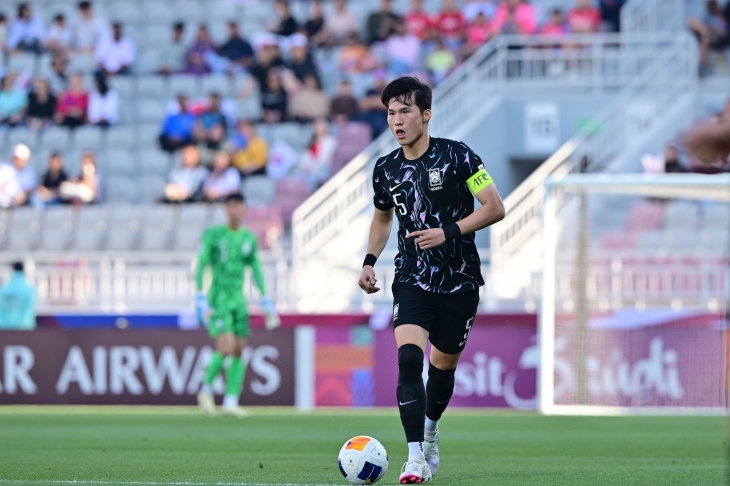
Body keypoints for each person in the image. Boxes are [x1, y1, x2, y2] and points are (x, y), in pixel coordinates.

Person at [357, 77, 504, 483]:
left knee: (441, 369)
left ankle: (431, 430)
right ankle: (415, 458)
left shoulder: (459, 156)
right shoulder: (385, 169)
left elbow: (494, 206)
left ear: (426, 115)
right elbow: (382, 219)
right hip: (412, 277)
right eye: (391, 113)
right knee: (409, 359)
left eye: (405, 111)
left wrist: (448, 232)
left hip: (460, 280)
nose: (397, 120)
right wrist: (369, 260)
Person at [195, 192, 280, 417]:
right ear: (226, 209)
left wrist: (265, 297)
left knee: (239, 350)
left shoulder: (248, 239)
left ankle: (230, 402)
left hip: (239, 300)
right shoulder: (214, 235)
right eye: (230, 206)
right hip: (219, 299)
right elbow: (201, 263)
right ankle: (205, 390)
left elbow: (256, 268)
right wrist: (199, 295)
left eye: (238, 206)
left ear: (244, 209)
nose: (234, 210)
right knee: (225, 347)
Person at [296, 117, 337, 190]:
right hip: (308, 172)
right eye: (316, 124)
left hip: (322, 172)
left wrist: (311, 169)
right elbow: (304, 159)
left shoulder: (330, 141)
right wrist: (305, 167)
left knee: (312, 179)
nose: (318, 127)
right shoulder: (311, 143)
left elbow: (323, 160)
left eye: (321, 124)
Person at [0, 262, 36, 330]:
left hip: (5, 328)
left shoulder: (3, 289)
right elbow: (29, 309)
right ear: (23, 270)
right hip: (24, 328)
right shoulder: (29, 289)